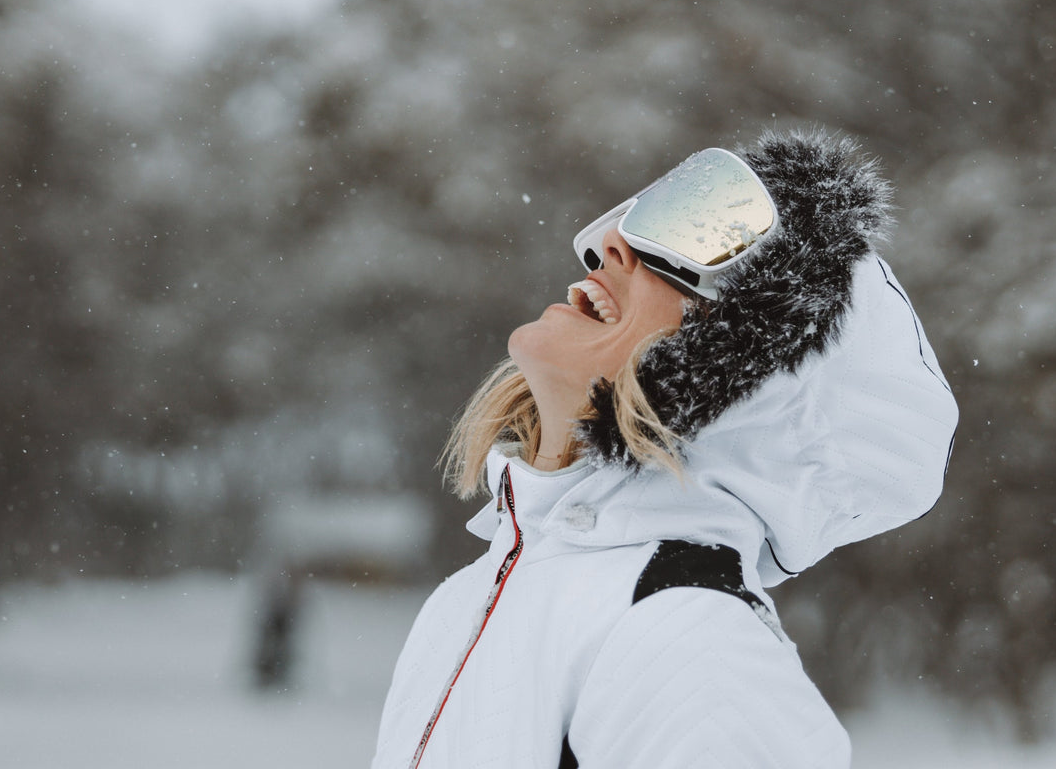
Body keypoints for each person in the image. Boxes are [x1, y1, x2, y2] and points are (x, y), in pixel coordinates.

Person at [371, 130, 959, 769]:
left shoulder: (691, 643)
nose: (610, 242)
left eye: (693, 239)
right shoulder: (468, 600)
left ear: (744, 385)